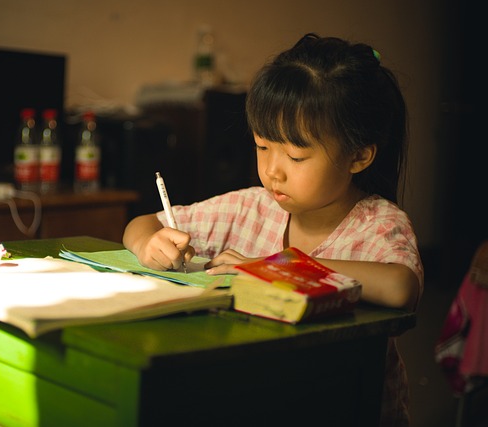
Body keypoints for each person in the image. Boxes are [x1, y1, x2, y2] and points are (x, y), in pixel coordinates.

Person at [123, 33, 423, 426]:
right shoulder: (252, 206)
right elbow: (140, 224)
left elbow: (402, 287)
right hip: (264, 394)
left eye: (296, 156)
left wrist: (268, 268)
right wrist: (150, 243)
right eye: (263, 147)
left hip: (344, 405)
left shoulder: (376, 223)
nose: (272, 171)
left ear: (359, 155)